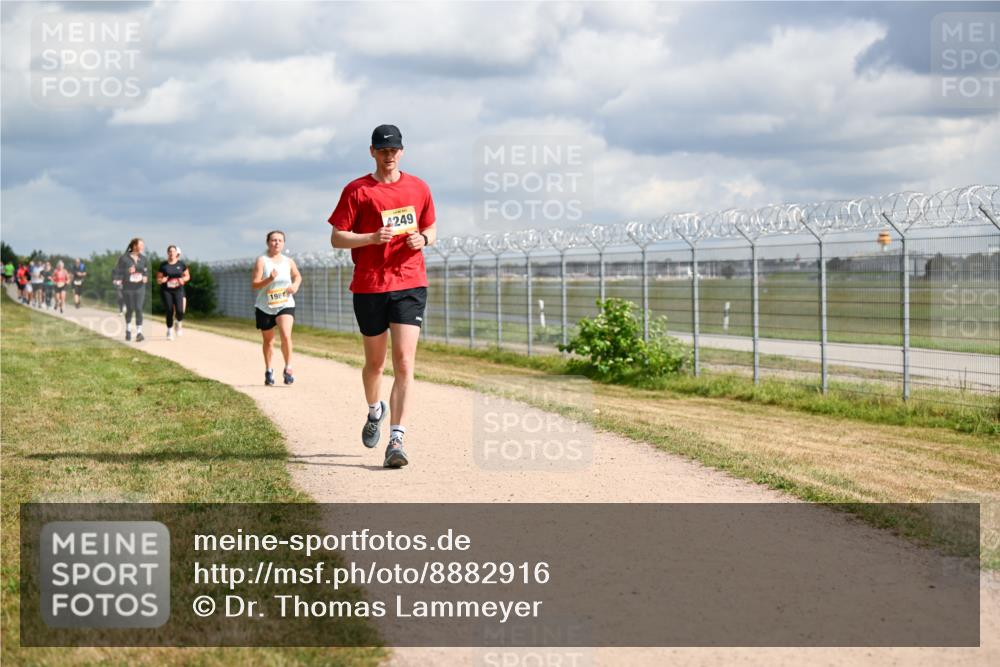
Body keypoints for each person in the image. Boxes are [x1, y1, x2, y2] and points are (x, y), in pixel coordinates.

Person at [328, 124, 437, 468]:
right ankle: (375, 410)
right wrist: (371, 238)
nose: (389, 156)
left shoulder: (419, 187)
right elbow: (337, 237)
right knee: (375, 364)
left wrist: (425, 240)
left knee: (404, 361)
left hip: (409, 281)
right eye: (383, 150)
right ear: (373, 152)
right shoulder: (358, 190)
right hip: (371, 285)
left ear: (402, 151)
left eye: (394, 150)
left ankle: (397, 439)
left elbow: (430, 226)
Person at [251, 230, 301, 386]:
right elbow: (255, 284)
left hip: (285, 303)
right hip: (265, 305)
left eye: (280, 240)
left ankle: (288, 368)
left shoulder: (288, 261)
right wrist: (269, 279)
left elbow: (297, 276)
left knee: (286, 335)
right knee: (269, 341)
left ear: (283, 243)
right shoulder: (262, 261)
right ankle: (269, 370)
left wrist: (295, 285)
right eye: (273, 240)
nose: (277, 243)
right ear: (268, 242)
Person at [115, 238, 150, 342]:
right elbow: (117, 272)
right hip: (128, 288)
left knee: (139, 308)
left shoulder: (144, 259)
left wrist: (145, 277)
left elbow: (146, 271)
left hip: (140, 287)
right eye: (141, 245)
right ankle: (128, 330)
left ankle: (139, 333)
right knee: (130, 309)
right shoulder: (124, 258)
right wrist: (127, 271)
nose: (143, 247)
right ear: (134, 246)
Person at [156, 245, 189, 340]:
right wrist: (162, 280)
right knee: (169, 310)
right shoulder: (163, 265)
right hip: (167, 290)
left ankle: (178, 323)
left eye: (173, 251)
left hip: (178, 290)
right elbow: (158, 279)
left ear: (176, 253)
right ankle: (169, 331)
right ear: (168, 253)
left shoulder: (181, 264)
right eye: (170, 251)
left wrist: (183, 279)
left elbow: (187, 276)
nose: (172, 253)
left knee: (180, 310)